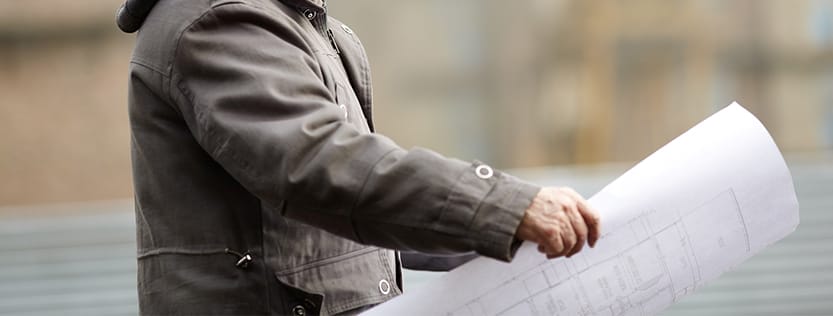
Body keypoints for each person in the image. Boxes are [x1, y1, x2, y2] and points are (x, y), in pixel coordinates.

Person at [116, 0, 601, 315]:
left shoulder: (303, 26)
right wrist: (499, 207)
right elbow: (320, 166)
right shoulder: (221, 19)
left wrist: (502, 234)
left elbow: (349, 214)